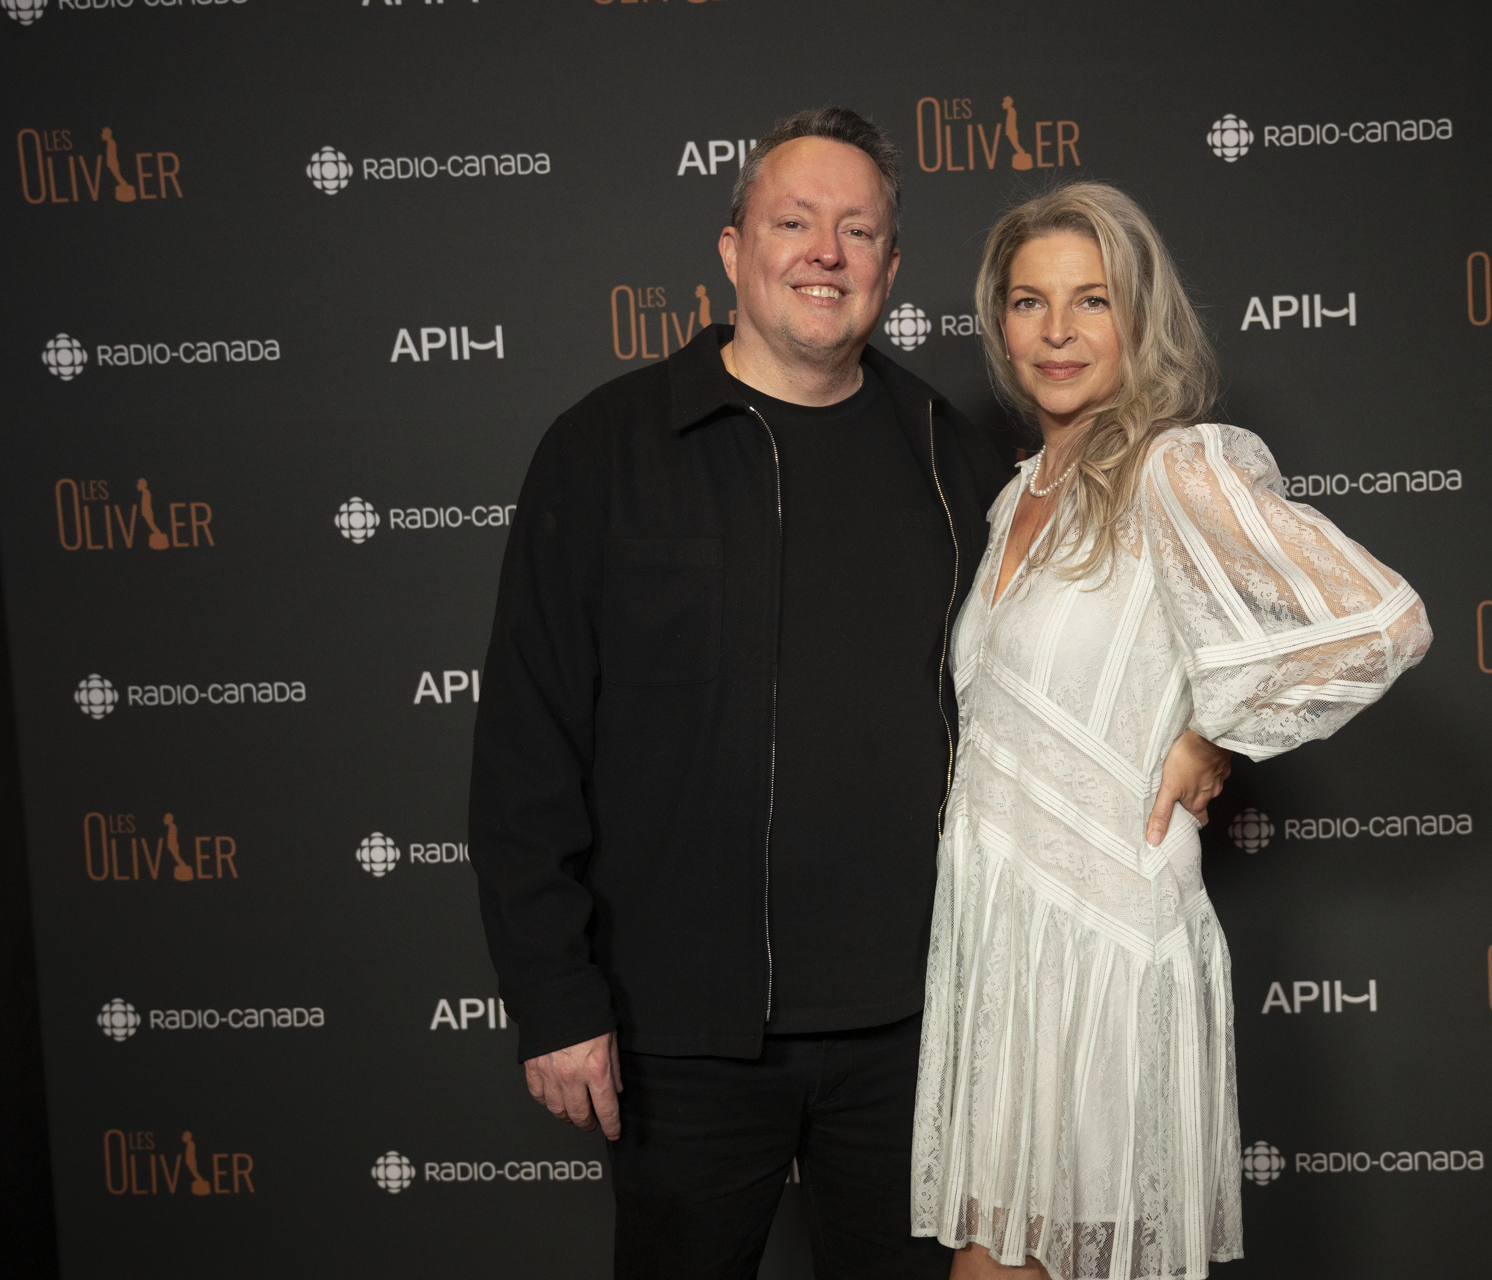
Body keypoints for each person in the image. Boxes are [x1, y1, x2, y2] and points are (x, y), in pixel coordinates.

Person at [469, 110, 1232, 1278]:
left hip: (920, 1029)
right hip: (681, 1031)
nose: (825, 251)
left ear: (888, 270)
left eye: (858, 230)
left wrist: (1209, 730)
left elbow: (1094, 651)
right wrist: (553, 993)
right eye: (793, 222)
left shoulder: (953, 455)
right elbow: (526, 742)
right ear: (733, 249)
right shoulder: (605, 449)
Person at [911, 183, 1432, 1279]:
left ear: (1138, 318)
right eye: (1028, 301)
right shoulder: (1017, 494)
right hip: (1009, 943)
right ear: (998, 323)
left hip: (1107, 935)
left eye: (1091, 300)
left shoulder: (1174, 468)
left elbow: (1385, 619)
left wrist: (1216, 728)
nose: (1056, 331)